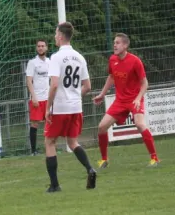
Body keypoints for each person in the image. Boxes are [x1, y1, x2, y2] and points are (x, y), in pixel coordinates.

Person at [44, 22, 97, 193]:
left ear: (60, 36)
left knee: (50, 142)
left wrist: (47, 108)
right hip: (76, 107)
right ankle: (90, 169)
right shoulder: (80, 57)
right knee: (72, 142)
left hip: (59, 108)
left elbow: (53, 85)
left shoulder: (56, 57)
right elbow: (87, 86)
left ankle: (54, 185)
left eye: (55, 33)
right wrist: (74, 96)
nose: (54, 37)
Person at [93, 33, 159, 167]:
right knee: (101, 127)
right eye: (114, 42)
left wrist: (138, 98)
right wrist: (102, 94)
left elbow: (145, 83)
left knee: (140, 125)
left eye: (117, 43)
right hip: (120, 101)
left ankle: (154, 158)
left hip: (134, 99)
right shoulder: (112, 59)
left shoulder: (135, 61)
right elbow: (111, 77)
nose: (114, 45)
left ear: (125, 45)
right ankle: (104, 160)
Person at [26, 40, 50, 155]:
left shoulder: (50, 62)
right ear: (36, 48)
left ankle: (49, 148)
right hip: (37, 98)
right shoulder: (32, 63)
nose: (40, 48)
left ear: (46, 48)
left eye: (42, 46)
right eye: (39, 46)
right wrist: (33, 97)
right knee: (35, 124)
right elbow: (29, 81)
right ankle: (33, 150)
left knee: (49, 122)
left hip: (47, 98)